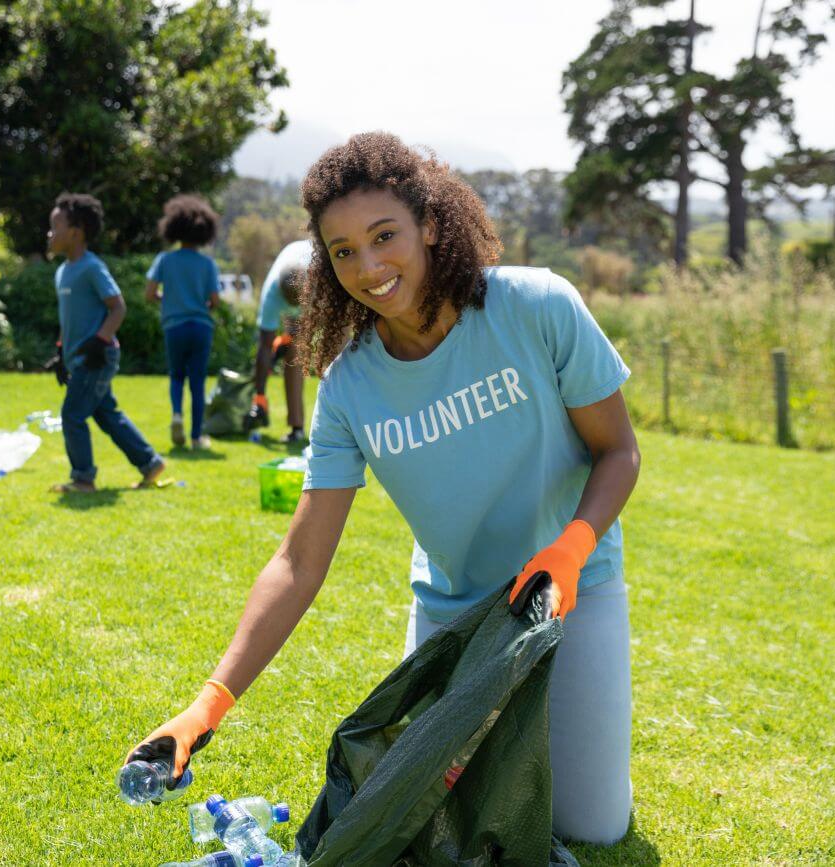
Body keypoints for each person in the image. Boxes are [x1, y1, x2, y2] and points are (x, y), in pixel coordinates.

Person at [125, 133, 641, 846]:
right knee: (439, 812)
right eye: (342, 252)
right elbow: (298, 562)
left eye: (384, 235)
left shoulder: (537, 305)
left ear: (430, 224)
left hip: (570, 588)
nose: (368, 267)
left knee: (592, 824)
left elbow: (619, 452)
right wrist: (205, 707)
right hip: (453, 611)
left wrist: (573, 547)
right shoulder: (348, 388)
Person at [46, 192, 165, 493]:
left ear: (75, 233)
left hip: (98, 356)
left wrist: (100, 341)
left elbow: (118, 307)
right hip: (79, 357)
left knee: (72, 414)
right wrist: (61, 352)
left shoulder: (91, 267)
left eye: (55, 226)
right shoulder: (63, 272)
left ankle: (83, 478)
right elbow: (69, 319)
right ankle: (150, 463)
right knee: (106, 414)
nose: (50, 233)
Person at [145, 194, 222, 450]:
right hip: (201, 327)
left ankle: (177, 414)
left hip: (174, 326)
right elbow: (215, 300)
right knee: (197, 382)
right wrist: (203, 304)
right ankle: (197, 437)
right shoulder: (208, 264)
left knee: (177, 376)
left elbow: (149, 293)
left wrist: (166, 298)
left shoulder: (165, 260)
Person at [245, 239, 311, 444]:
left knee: (339, 355)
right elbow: (264, 346)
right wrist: (259, 397)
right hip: (296, 288)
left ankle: (346, 429)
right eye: (289, 304)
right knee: (293, 358)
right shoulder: (271, 294)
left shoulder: (320, 281)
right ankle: (297, 429)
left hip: (318, 293)